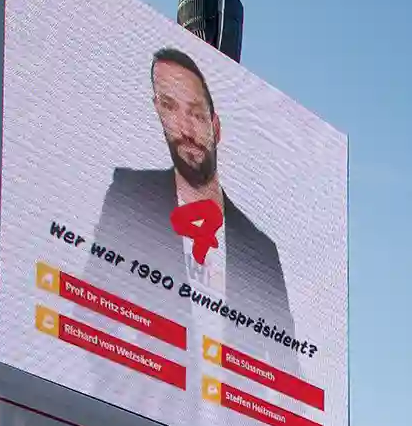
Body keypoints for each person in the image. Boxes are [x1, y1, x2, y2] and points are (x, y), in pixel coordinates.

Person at [95, 48, 293, 337]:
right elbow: (93, 310)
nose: (185, 129)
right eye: (169, 107)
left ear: (216, 127)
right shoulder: (130, 197)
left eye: (197, 115)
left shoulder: (261, 251)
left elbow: (286, 358)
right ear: (158, 111)